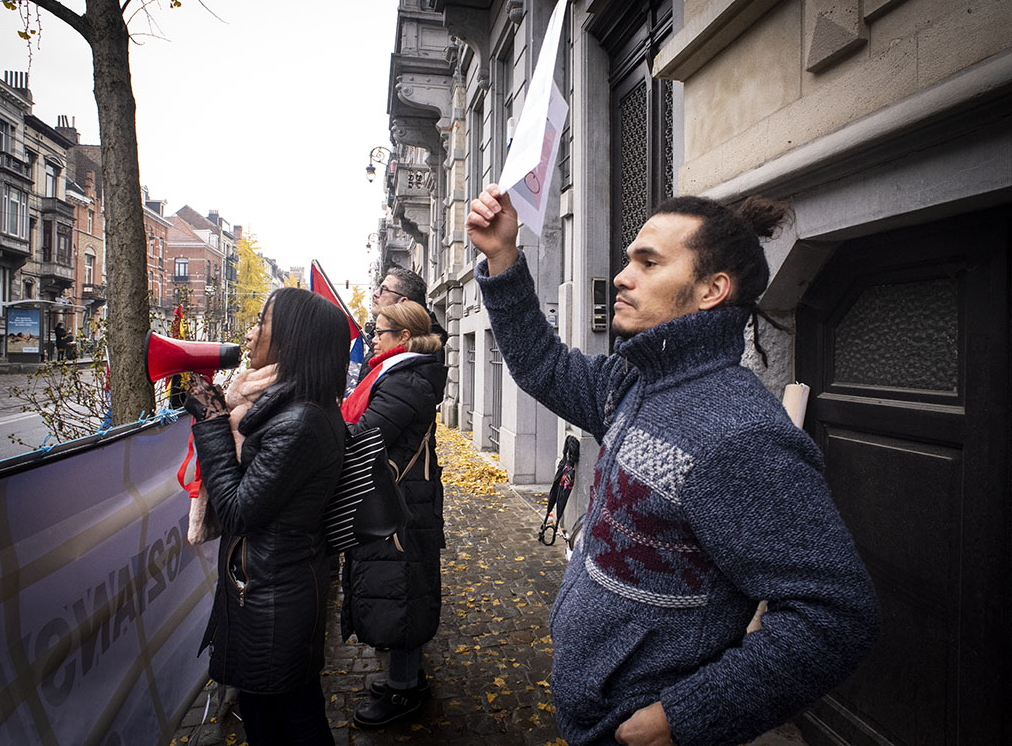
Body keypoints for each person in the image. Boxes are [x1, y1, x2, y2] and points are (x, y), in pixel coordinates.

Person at [466, 184, 879, 746]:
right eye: (629, 259)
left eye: (648, 262)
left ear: (712, 289)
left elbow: (834, 616)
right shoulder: (632, 383)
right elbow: (542, 364)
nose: (621, 276)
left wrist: (683, 717)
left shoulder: (742, 435)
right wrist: (503, 257)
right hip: (588, 715)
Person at [185, 287, 350, 746]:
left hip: (275, 601)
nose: (252, 332)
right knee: (282, 717)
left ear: (293, 341)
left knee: (285, 722)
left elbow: (238, 511)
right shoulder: (290, 409)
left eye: (263, 322)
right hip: (272, 590)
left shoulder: (300, 422)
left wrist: (214, 425)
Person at [339, 299, 448, 729]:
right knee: (401, 586)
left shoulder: (405, 379)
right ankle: (406, 677)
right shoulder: (399, 372)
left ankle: (405, 692)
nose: (372, 339)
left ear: (403, 337)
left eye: (379, 332)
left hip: (400, 503)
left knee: (402, 591)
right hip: (403, 499)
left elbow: (366, 435)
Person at [357, 267, 448, 384]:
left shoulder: (423, 346)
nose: (375, 294)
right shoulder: (388, 333)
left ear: (403, 301)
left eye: (384, 289)